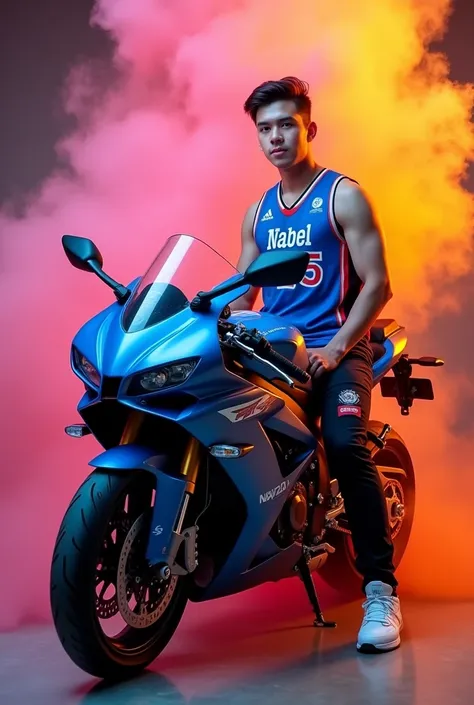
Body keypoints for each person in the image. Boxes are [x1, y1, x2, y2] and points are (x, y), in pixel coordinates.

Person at [230, 76, 402, 653]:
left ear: (310, 129)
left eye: (286, 124)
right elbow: (242, 293)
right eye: (265, 128)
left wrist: (335, 348)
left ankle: (381, 589)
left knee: (347, 443)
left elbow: (377, 285)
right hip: (276, 350)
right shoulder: (257, 212)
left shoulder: (342, 196)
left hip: (338, 346)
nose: (276, 136)